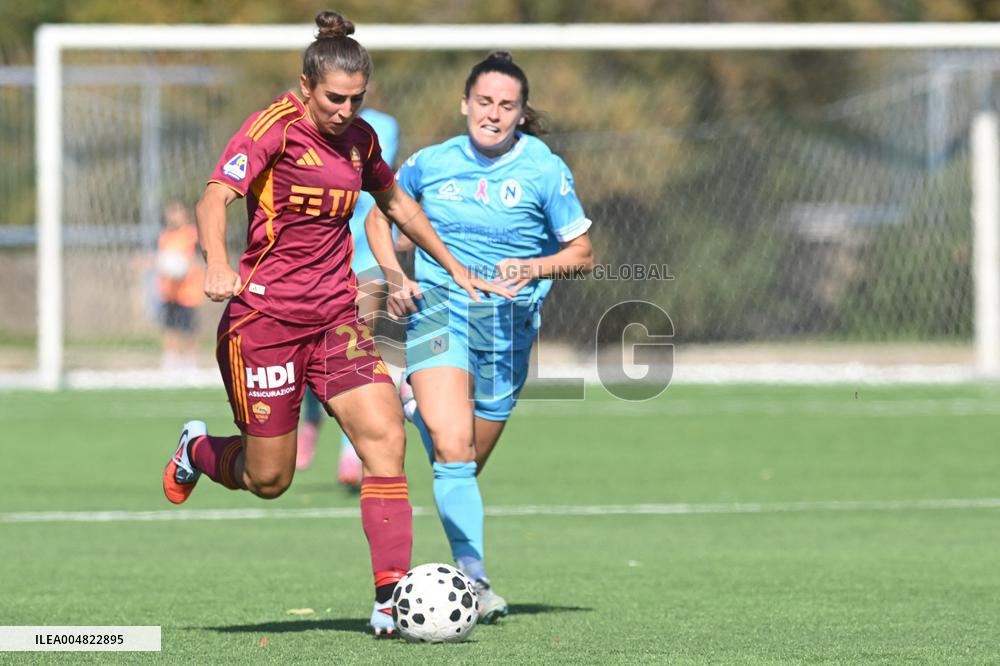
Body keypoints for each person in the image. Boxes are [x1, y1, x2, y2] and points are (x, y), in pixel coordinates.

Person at [160, 11, 510, 638]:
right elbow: (216, 194)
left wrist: (452, 265)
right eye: (334, 99)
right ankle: (198, 450)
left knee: (385, 443)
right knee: (270, 478)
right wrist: (216, 261)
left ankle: (388, 600)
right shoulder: (273, 127)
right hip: (264, 321)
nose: (347, 110)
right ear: (305, 85)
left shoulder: (362, 140)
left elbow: (396, 201)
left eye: (358, 99)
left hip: (335, 319)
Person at [366, 51, 596, 624]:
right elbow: (379, 214)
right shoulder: (431, 163)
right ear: (465, 103)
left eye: (507, 105)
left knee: (463, 457)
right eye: (485, 101)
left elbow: (583, 254)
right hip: (439, 314)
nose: (493, 114)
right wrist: (395, 277)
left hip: (508, 332)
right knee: (452, 449)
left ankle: (417, 405)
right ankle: (473, 577)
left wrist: (533, 269)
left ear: (521, 114)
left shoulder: (544, 170)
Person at [295, 104, 401, 489]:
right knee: (311, 349)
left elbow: (382, 183)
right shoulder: (309, 124)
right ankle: (310, 420)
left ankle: (350, 454)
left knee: (357, 349)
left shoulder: (384, 125)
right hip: (322, 257)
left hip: (368, 255)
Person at [156, 201, 205, 371]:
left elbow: (198, 259)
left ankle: (191, 362)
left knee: (189, 329)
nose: (173, 216)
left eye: (177, 212)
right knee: (169, 328)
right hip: (169, 292)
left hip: (188, 292)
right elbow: (163, 260)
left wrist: (184, 265)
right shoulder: (165, 236)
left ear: (185, 214)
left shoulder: (192, 235)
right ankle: (170, 361)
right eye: (171, 212)